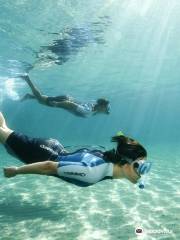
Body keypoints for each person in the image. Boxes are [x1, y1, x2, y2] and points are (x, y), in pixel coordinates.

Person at [0, 112, 151, 187]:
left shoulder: (108, 163)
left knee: (4, 129)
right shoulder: (94, 172)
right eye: (139, 166)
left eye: (145, 166)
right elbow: (49, 167)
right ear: (124, 162)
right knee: (2, 131)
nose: (143, 172)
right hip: (42, 154)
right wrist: (17, 171)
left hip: (52, 148)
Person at [20, 75, 110, 117]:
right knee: (40, 99)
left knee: (43, 99)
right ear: (102, 106)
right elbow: (70, 104)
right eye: (105, 109)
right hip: (65, 101)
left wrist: (99, 111)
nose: (105, 111)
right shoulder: (87, 111)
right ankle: (27, 79)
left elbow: (98, 107)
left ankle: (30, 96)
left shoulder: (94, 103)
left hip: (67, 98)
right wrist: (57, 104)